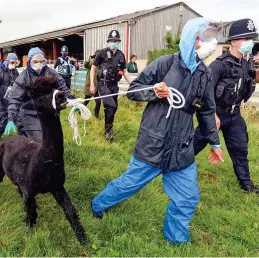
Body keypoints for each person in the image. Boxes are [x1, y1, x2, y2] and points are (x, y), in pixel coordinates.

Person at [91, 18, 224, 244]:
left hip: (181, 147)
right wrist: (155, 91)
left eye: (213, 38)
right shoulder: (164, 64)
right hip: (153, 143)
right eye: (205, 38)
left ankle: (177, 240)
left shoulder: (205, 74)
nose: (210, 44)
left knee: (188, 198)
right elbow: (133, 91)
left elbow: (207, 110)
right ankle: (98, 204)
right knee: (128, 184)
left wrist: (214, 142)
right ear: (191, 39)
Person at [194, 18, 259, 194]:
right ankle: (172, 167)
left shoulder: (246, 64)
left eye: (251, 39)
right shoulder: (219, 65)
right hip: (216, 113)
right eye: (246, 38)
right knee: (194, 145)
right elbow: (203, 94)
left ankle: (247, 185)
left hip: (235, 115)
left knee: (240, 150)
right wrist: (212, 115)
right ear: (234, 41)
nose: (250, 42)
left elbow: (252, 81)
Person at [4, 47, 77, 142]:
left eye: (42, 62)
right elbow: (15, 99)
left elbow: (62, 87)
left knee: (53, 139)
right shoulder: (23, 78)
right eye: (35, 62)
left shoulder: (50, 73)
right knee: (40, 141)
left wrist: (73, 100)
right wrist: (11, 119)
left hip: (48, 112)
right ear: (29, 62)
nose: (39, 65)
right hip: (30, 114)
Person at [90, 30, 131, 141]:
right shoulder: (102, 53)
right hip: (103, 84)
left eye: (116, 41)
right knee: (111, 106)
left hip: (114, 85)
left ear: (119, 42)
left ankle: (108, 129)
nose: (114, 42)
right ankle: (108, 133)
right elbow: (93, 68)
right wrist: (92, 85)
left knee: (113, 108)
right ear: (108, 41)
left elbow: (125, 71)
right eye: (112, 40)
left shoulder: (121, 55)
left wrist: (132, 84)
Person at [0, 53, 19, 134]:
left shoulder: (15, 71)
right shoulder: (1, 70)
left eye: (16, 63)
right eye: (12, 62)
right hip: (1, 98)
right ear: (7, 61)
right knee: (2, 117)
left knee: (7, 117)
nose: (14, 64)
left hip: (9, 98)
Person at [83, 50, 101, 118]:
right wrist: (90, 58)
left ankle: (96, 115)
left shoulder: (100, 64)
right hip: (90, 86)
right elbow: (86, 64)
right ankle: (80, 110)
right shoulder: (92, 62)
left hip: (97, 87)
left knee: (98, 101)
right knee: (86, 101)